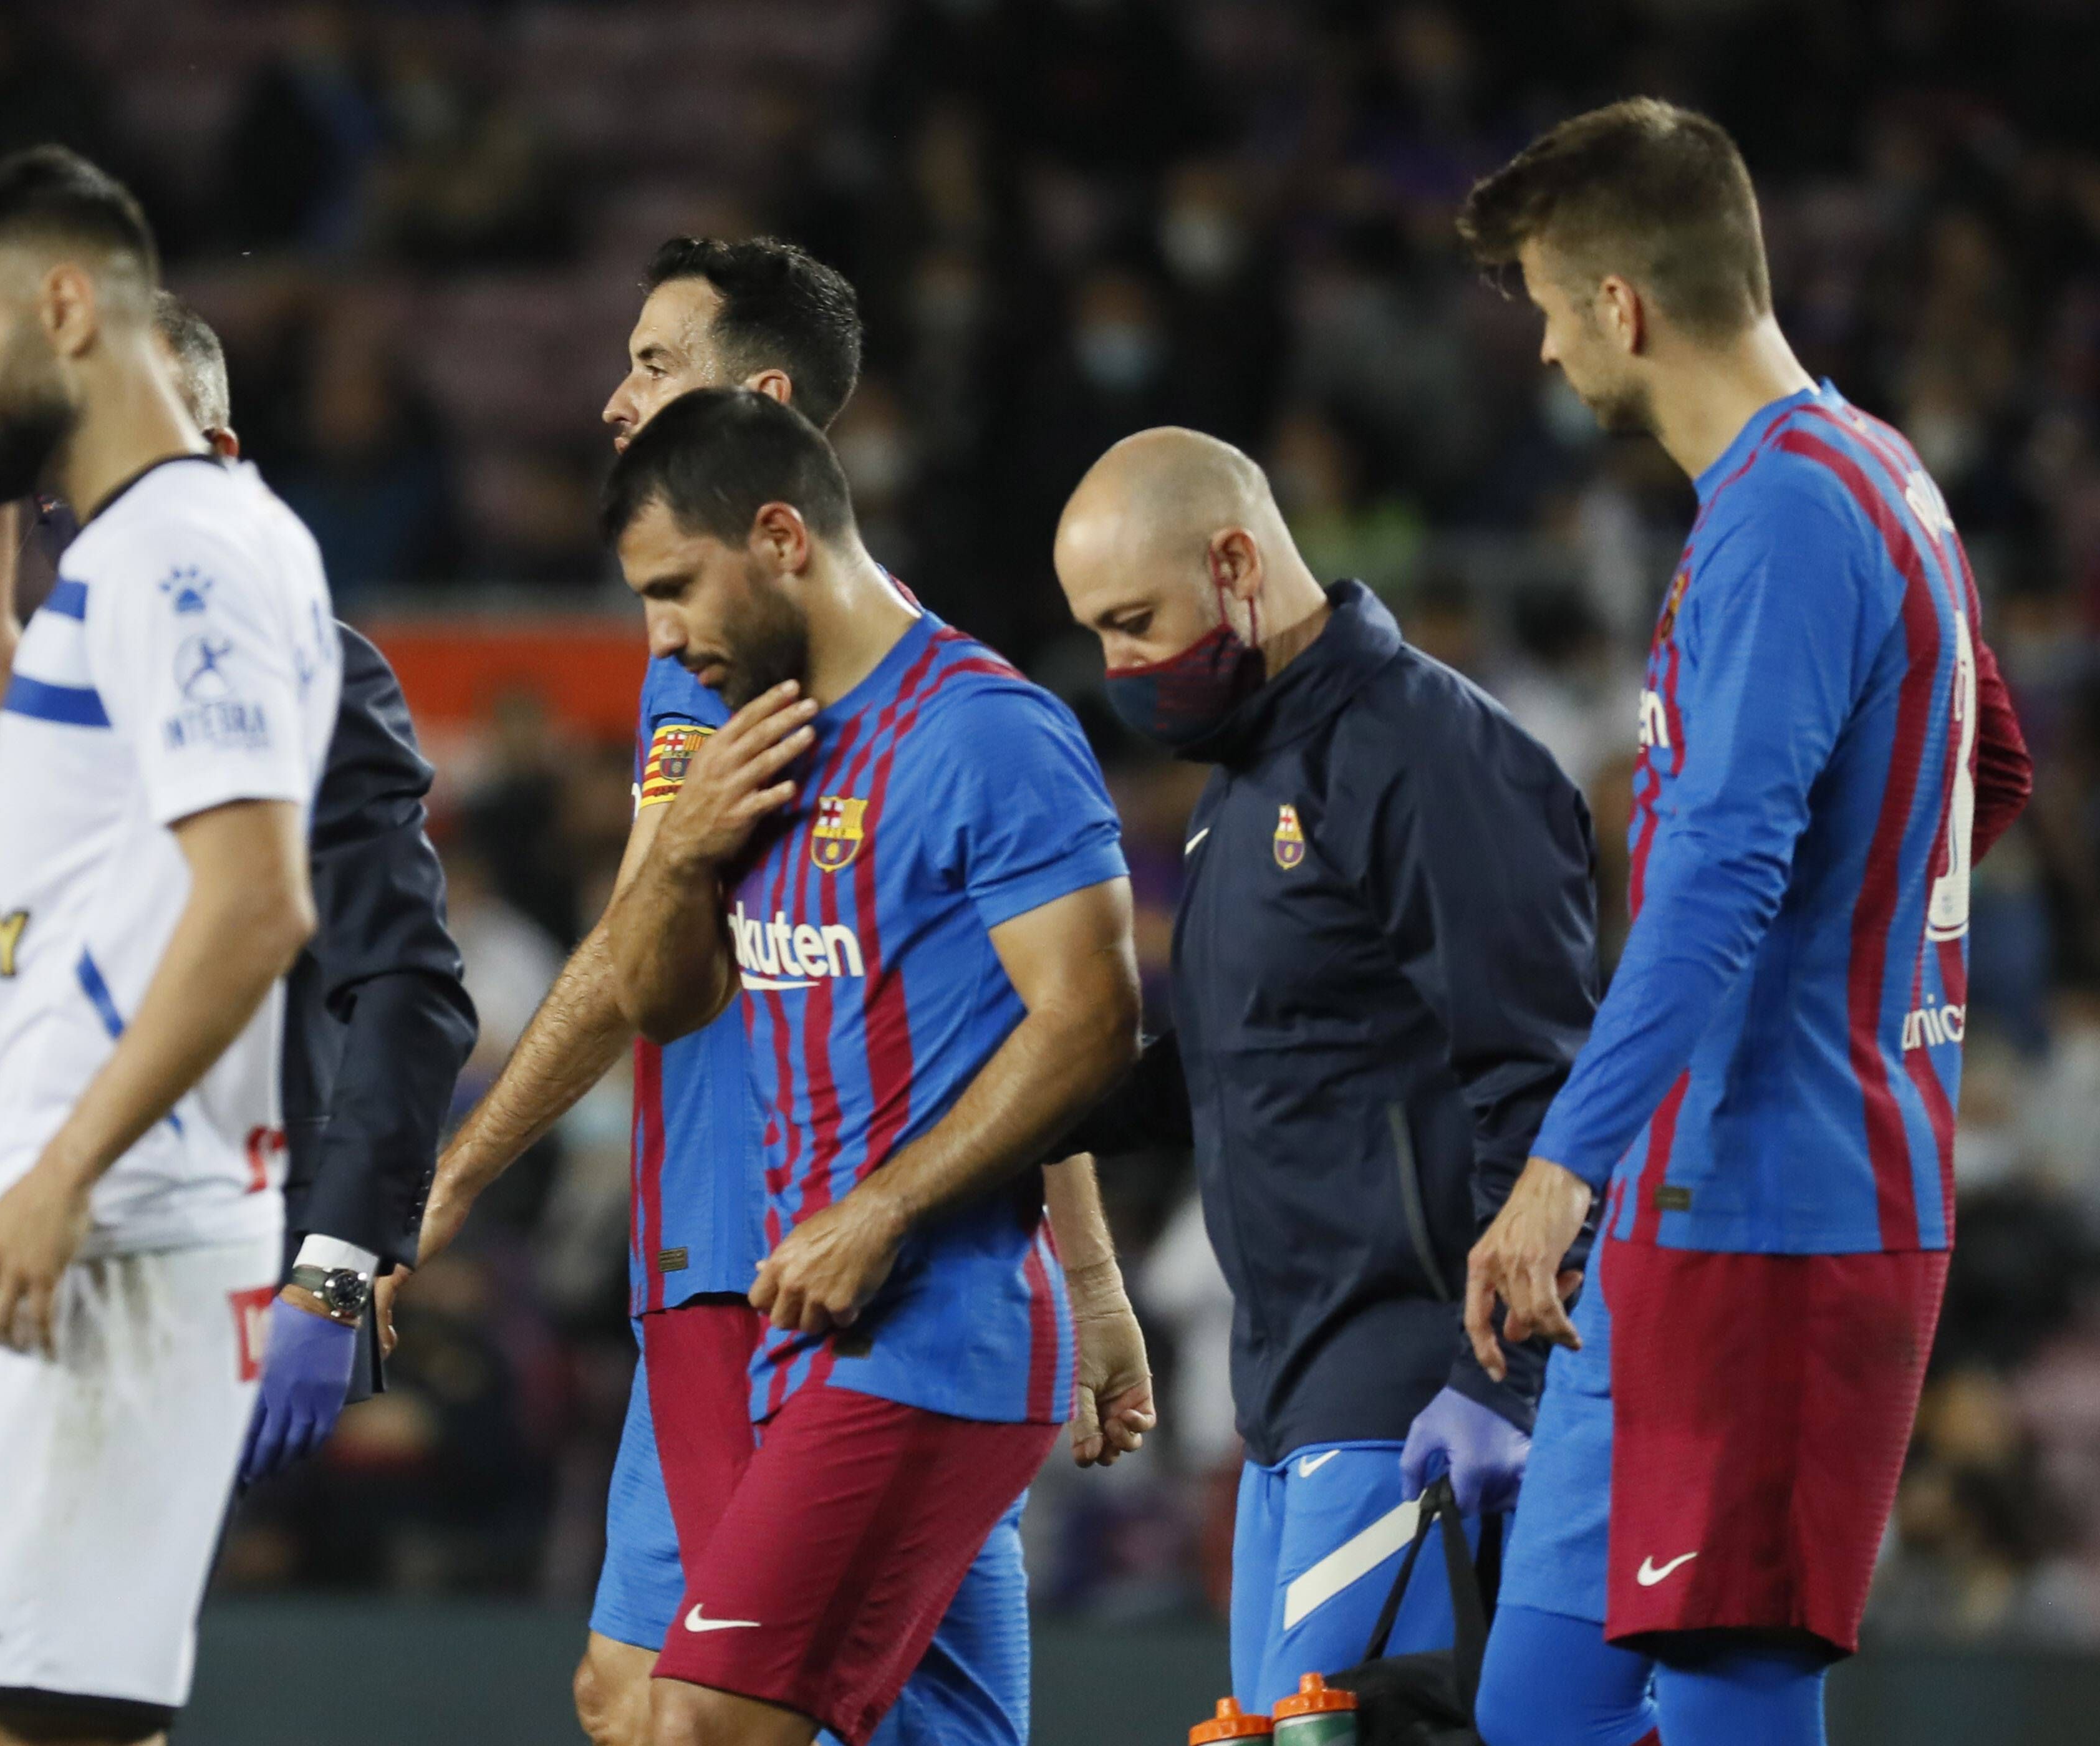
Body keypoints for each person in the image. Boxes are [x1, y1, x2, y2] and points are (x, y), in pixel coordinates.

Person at [405, 239, 1154, 1746]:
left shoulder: (948, 717)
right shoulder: (701, 677)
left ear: (764, 455)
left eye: (654, 364)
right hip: (723, 1263)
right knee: (657, 1697)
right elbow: (647, 955)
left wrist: (1078, 1271)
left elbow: (1042, 1011)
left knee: (710, 1711)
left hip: (872, 1278)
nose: (615, 400)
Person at [1452, 100, 2034, 1746]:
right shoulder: (1877, 468)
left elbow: (1719, 879)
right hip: (1683, 1198)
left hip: (1783, 1207)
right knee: (1541, 1712)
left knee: (1727, 1703)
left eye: (1555, 313)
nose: (1557, 359)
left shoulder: (1783, 516)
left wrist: (1558, 1172)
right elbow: (1986, 769)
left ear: (1622, 306)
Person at [0, 292, 478, 1490]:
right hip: (28, 1262)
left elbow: (407, 987)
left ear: (221, 460)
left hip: (215, 1272)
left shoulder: (306, 666)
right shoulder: (45, 690)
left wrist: (331, 1270)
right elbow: (21, 1013)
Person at [597, 387, 1140, 1746]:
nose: (664, 637)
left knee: (697, 1719)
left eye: (675, 590)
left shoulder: (984, 732)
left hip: (936, 1328)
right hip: (810, 1329)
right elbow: (662, 1003)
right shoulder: (758, 746)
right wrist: (680, 849)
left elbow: (1089, 1021)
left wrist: (891, 1206)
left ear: (780, 535)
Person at [0, 146, 341, 1746]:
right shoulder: (118, 554)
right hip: (61, 1249)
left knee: (34, 1728)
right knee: (12, 1722)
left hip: (118, 1242)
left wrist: (61, 1173)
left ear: (64, 307)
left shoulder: (190, 549)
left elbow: (256, 899)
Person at [1049, 427, 1602, 1711]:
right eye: (1098, 633)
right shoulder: (1241, 786)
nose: (1120, 665)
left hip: (1414, 1389)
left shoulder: (1431, 753)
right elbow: (1252, 1056)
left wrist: (1500, 1382)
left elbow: (1551, 1082)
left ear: (1237, 559)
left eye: (1134, 620)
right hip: (1289, 1396)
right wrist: (1005, 1120)